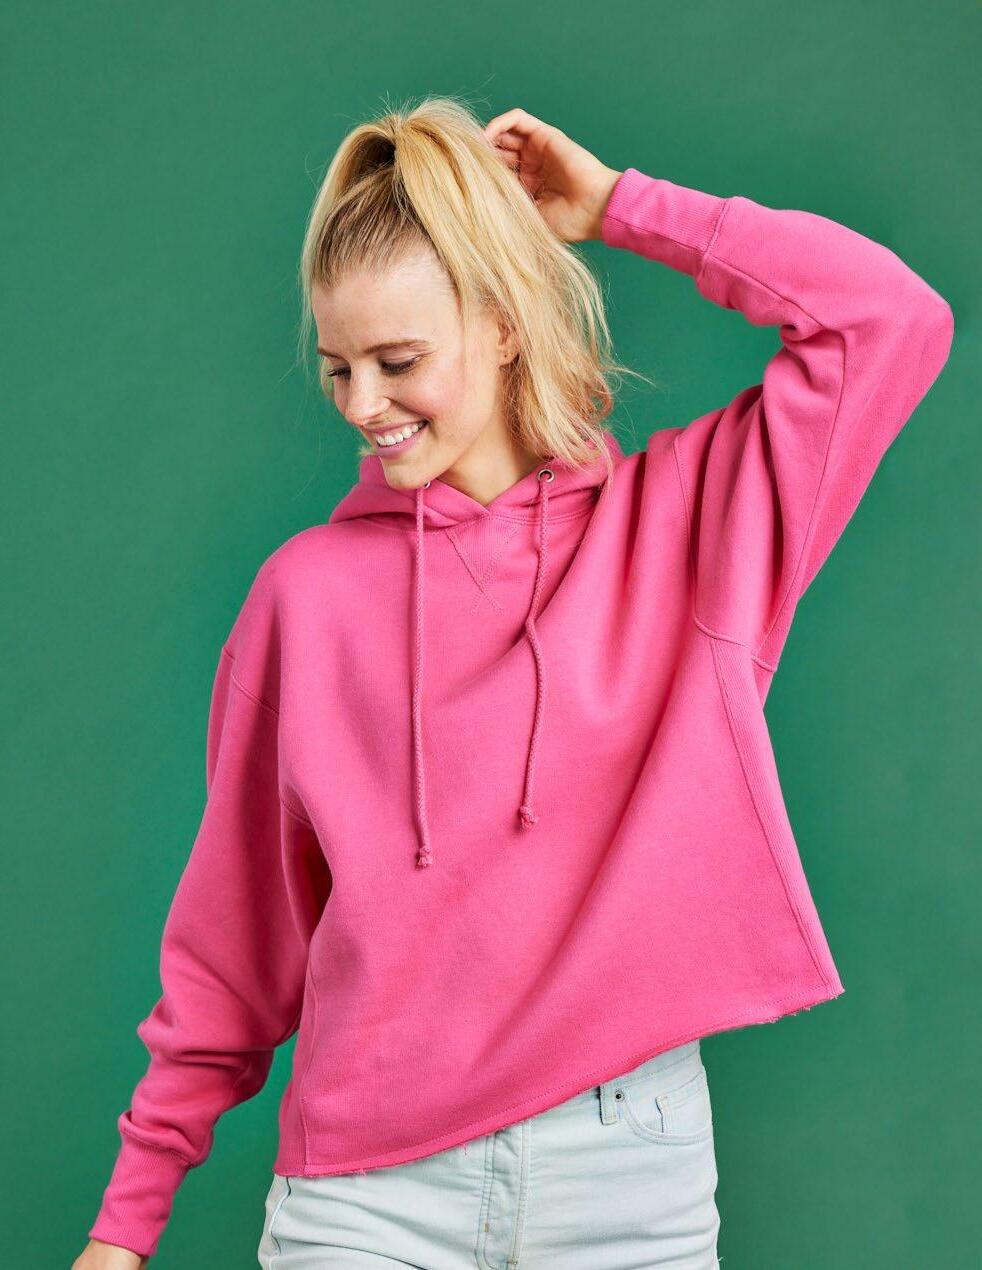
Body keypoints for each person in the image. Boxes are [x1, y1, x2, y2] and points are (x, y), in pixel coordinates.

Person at [76, 97, 954, 1268]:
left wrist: (622, 207)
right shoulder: (304, 598)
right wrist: (125, 1225)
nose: (361, 405)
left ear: (500, 326)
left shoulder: (688, 530)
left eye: (397, 361)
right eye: (338, 367)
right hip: (367, 1195)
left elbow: (888, 318)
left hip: (627, 1177)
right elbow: (234, 937)